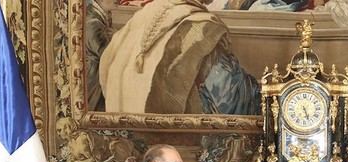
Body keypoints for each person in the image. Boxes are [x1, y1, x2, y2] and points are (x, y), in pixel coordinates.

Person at [99, 0, 260, 114]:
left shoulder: (134, 23)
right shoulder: (201, 28)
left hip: (128, 149)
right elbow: (229, 101)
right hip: (179, 152)